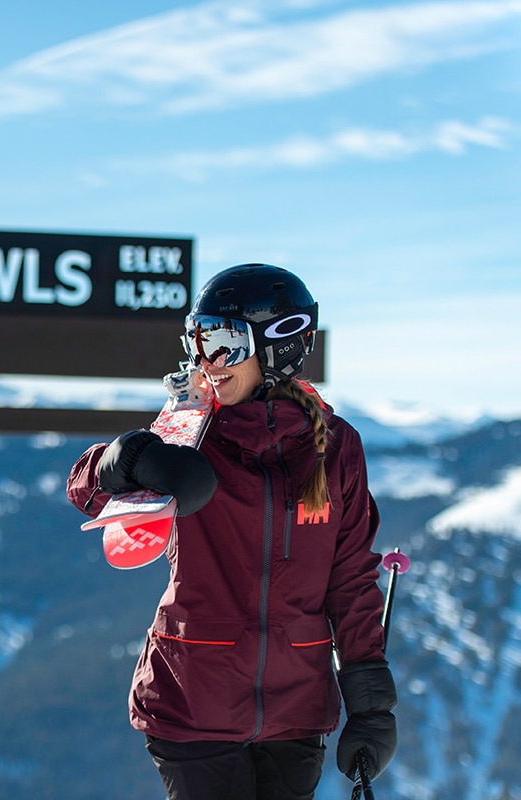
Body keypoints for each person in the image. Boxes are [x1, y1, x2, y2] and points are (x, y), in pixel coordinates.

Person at [67, 264, 396, 800]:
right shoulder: (190, 431)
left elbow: (352, 580)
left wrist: (370, 702)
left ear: (277, 347)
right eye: (196, 341)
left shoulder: (336, 446)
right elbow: (86, 490)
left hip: (296, 711)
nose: (205, 362)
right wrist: (125, 459)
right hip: (192, 702)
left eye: (221, 342)